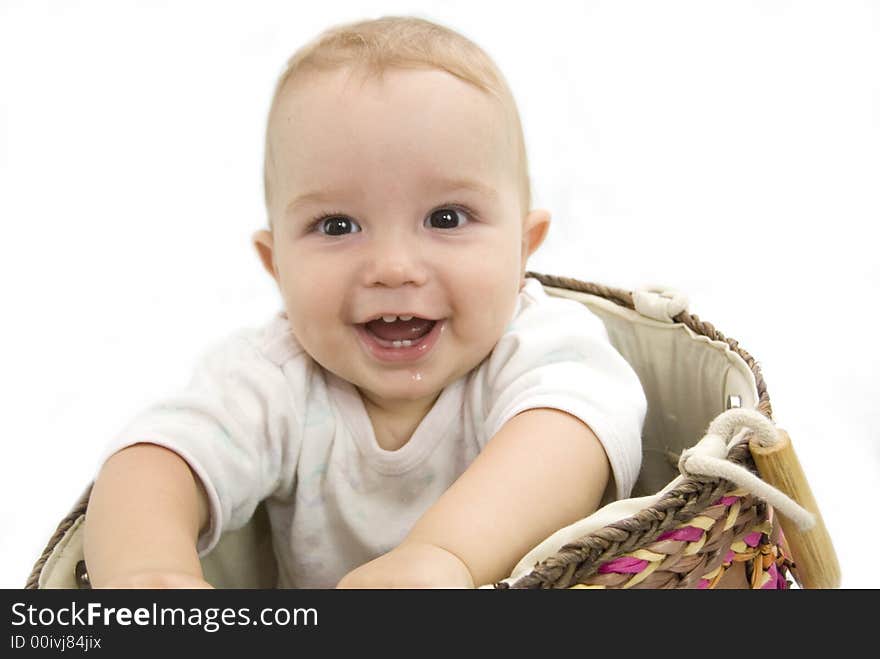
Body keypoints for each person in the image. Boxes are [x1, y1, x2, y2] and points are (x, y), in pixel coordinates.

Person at [83, 15, 647, 589]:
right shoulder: (275, 380)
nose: (392, 267)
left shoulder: (543, 346)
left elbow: (567, 441)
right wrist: (146, 573)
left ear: (523, 249)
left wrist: (443, 556)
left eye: (445, 218)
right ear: (276, 265)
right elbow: (155, 460)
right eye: (336, 225)